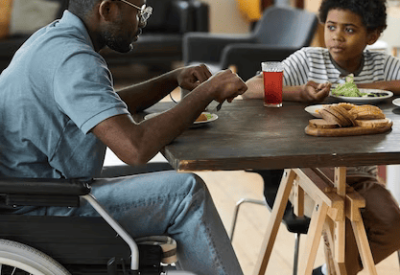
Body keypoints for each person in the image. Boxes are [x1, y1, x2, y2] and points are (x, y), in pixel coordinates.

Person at [0, 0, 248, 274]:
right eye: (140, 12)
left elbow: (105, 108)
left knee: (168, 173)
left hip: (27, 195)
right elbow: (135, 148)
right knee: (187, 193)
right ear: (107, 9)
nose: (143, 22)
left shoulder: (52, 40)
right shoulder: (75, 59)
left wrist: (172, 78)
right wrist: (208, 91)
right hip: (44, 208)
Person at [243, 0, 400, 274]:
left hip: (362, 176)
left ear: (372, 35)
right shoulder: (308, 60)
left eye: (349, 29)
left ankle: (327, 272)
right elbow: (249, 88)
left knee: (394, 225)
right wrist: (298, 92)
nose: (337, 36)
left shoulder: (382, 64)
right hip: (311, 175)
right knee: (346, 226)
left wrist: (361, 88)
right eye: (331, 27)